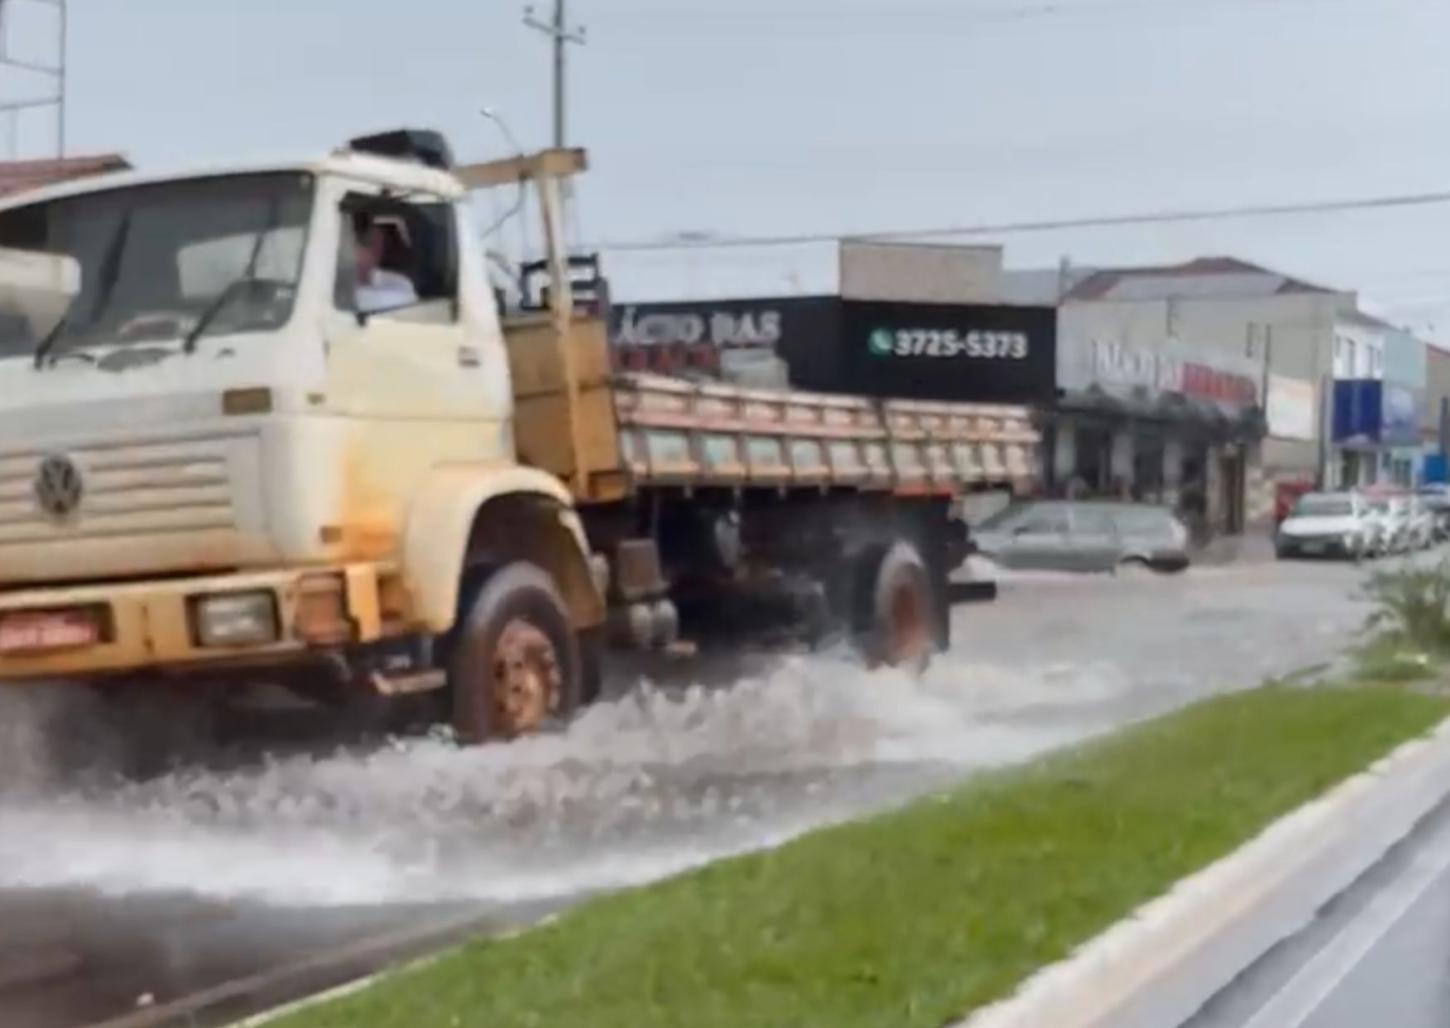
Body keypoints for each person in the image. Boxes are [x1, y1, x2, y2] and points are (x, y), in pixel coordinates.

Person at [353, 214, 418, 313]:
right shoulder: (331, 285)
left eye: (379, 246)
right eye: (366, 244)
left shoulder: (400, 285)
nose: (376, 253)